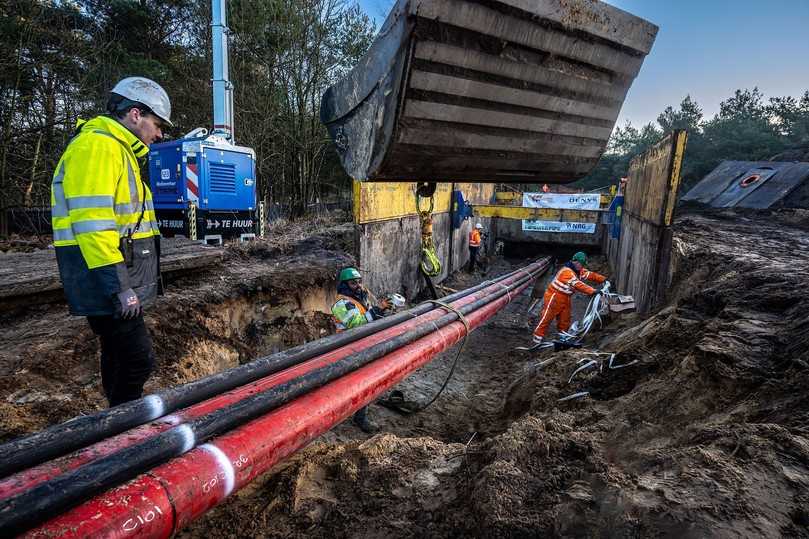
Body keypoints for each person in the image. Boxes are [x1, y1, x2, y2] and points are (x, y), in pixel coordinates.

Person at [51, 77, 172, 407]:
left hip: (116, 277)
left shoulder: (117, 151)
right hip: (108, 280)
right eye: (157, 124)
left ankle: (116, 423)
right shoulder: (98, 148)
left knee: (118, 356)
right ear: (135, 114)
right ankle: (123, 426)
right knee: (138, 361)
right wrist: (119, 287)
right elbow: (94, 226)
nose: (159, 134)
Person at [331, 267, 391, 433]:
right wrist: (377, 310)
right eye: (352, 283)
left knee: (367, 380)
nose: (357, 285)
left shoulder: (360, 298)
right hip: (347, 348)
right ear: (344, 285)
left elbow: (368, 316)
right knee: (355, 382)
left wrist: (381, 311)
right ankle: (349, 416)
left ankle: (360, 415)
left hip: (362, 344)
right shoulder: (341, 304)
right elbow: (356, 324)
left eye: (358, 282)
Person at [531, 251, 607, 345]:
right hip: (554, 296)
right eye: (581, 264)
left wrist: (603, 279)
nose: (582, 267)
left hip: (565, 297)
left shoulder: (578, 271)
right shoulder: (566, 272)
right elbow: (578, 284)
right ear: (577, 262)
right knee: (547, 318)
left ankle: (562, 338)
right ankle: (537, 340)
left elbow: (590, 274)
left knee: (565, 319)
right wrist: (593, 291)